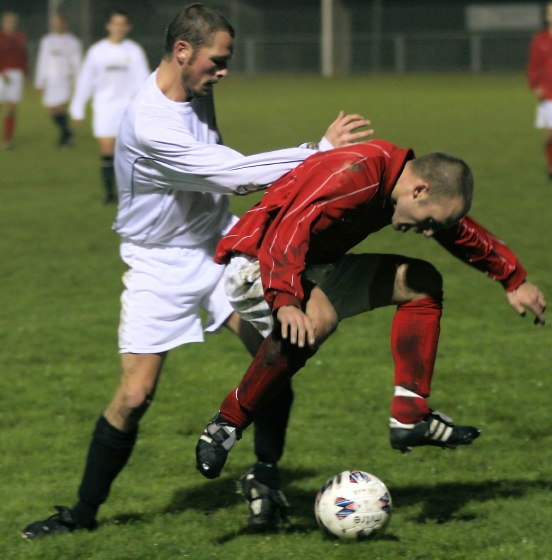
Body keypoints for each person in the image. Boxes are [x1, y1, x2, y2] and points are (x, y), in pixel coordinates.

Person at [21, 4, 372, 539]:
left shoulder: (196, 89)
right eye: (218, 60)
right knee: (135, 395)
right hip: (156, 263)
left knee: (274, 356)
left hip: (219, 248)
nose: (224, 71)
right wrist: (319, 154)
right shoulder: (149, 121)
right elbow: (232, 174)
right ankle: (82, 514)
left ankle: (266, 482)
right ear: (182, 52)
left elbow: (223, 172)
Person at [195, 140, 547, 523]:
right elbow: (289, 226)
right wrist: (285, 300)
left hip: (315, 266)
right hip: (259, 262)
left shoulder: (402, 185)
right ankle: (224, 425)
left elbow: (455, 229)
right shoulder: (356, 173)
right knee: (315, 323)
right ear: (419, 190)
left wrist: (511, 278)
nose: (429, 233)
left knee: (421, 282)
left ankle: (410, 416)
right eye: (429, 221)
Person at [69, 10, 150, 203]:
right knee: (107, 149)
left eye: (123, 24)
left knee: (129, 152)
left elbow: (144, 81)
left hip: (128, 108)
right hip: (104, 107)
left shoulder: (134, 51)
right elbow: (85, 81)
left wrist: (146, 107)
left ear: (128, 27)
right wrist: (77, 107)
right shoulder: (97, 51)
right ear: (109, 26)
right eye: (115, 23)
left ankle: (130, 193)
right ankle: (109, 194)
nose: (119, 28)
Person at [35, 12, 82, 148]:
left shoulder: (73, 42)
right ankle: (68, 133)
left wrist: (77, 82)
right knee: (52, 111)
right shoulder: (47, 41)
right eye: (54, 22)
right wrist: (39, 82)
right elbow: (42, 61)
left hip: (64, 79)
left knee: (60, 108)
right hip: (50, 79)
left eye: (58, 22)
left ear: (64, 24)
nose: (56, 25)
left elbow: (77, 63)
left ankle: (64, 138)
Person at [527, 1, 552, 180]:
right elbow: (533, 65)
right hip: (548, 93)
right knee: (550, 134)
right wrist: (535, 86)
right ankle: (551, 167)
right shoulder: (540, 39)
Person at [0, 11, 28, 149]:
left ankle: (8, 139)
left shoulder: (20, 36)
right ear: (3, 22)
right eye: (8, 21)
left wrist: (25, 74)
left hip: (16, 75)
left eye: (13, 21)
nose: (10, 24)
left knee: (11, 107)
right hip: (1, 74)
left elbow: (24, 56)